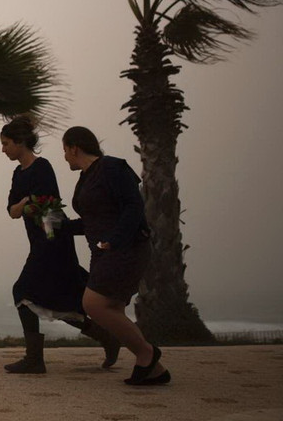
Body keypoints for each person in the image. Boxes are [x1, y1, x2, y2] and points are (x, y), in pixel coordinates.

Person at [0, 116, 119, 374]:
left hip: (53, 240)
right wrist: (24, 204)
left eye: (6, 143)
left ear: (20, 142)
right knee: (62, 300)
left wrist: (25, 205)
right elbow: (12, 210)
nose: (3, 149)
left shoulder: (42, 167)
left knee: (21, 291)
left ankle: (34, 359)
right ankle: (108, 337)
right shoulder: (17, 173)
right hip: (39, 242)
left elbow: (45, 205)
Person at [61, 126, 171, 386]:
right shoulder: (85, 178)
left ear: (74, 148)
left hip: (125, 248)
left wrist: (114, 240)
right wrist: (62, 226)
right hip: (102, 251)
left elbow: (134, 206)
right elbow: (92, 221)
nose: (64, 156)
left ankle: (147, 353)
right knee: (112, 310)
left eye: (64, 150)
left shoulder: (111, 167)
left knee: (93, 304)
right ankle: (155, 370)